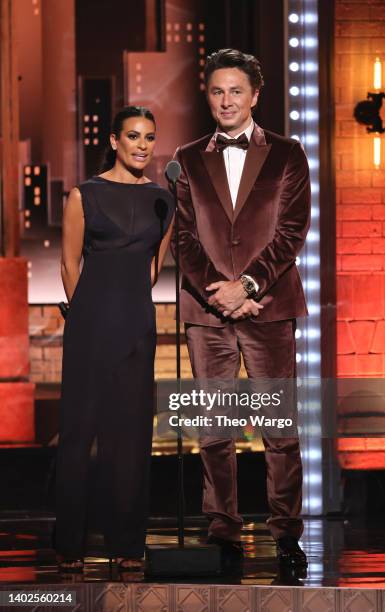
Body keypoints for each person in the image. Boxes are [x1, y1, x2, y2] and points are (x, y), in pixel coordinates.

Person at [172, 49, 310, 569]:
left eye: (236, 90)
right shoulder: (186, 158)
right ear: (206, 97)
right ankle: (224, 529)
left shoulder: (287, 154)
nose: (226, 100)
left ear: (255, 95)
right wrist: (219, 290)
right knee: (215, 428)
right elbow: (183, 235)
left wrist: (248, 285)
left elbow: (292, 230)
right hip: (208, 311)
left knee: (280, 427)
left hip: (269, 306)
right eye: (216, 91)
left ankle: (285, 531)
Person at [56, 106, 174, 573]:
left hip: (136, 326)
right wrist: (88, 316)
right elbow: (69, 266)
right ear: (113, 140)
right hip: (89, 325)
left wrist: (127, 315)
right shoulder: (84, 195)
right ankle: (70, 545)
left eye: (149, 137)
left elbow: (152, 268)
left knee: (131, 436)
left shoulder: (163, 201)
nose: (142, 145)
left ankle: (128, 544)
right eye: (132, 136)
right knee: (79, 433)